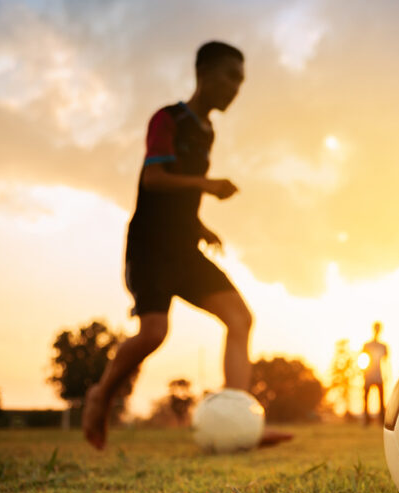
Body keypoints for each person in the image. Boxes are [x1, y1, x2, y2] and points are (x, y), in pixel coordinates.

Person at [83, 41, 292, 450]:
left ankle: (239, 422)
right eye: (231, 77)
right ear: (205, 73)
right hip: (150, 245)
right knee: (154, 332)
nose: (236, 88)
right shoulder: (169, 119)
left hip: (184, 246)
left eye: (242, 81)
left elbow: (179, 199)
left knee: (239, 318)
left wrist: (201, 226)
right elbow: (153, 181)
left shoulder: (207, 131)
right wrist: (207, 186)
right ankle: (100, 395)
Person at [360, 322, 389, 426]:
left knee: (381, 400)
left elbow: (386, 362)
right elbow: (362, 359)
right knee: (366, 399)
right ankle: (366, 421)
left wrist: (386, 375)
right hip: (368, 375)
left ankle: (381, 421)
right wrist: (363, 373)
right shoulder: (367, 345)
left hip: (379, 375)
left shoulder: (383, 346)